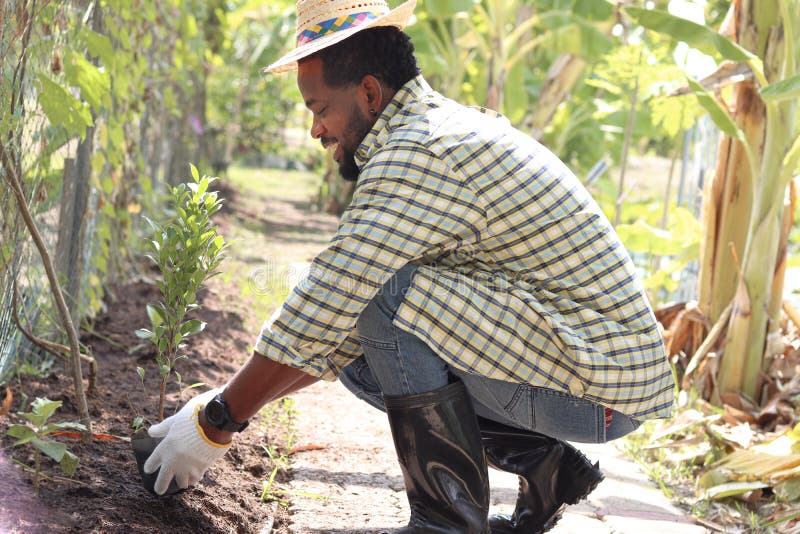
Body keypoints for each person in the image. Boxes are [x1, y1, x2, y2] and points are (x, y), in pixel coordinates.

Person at [143, 0, 675, 532]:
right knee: (361, 338)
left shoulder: (421, 150)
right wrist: (221, 408)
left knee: (375, 293)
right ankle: (545, 466)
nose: (315, 129)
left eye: (319, 108)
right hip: (586, 374)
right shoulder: (426, 130)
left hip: (598, 387)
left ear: (370, 94)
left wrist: (219, 421)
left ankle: (446, 522)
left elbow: (332, 295)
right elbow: (329, 330)